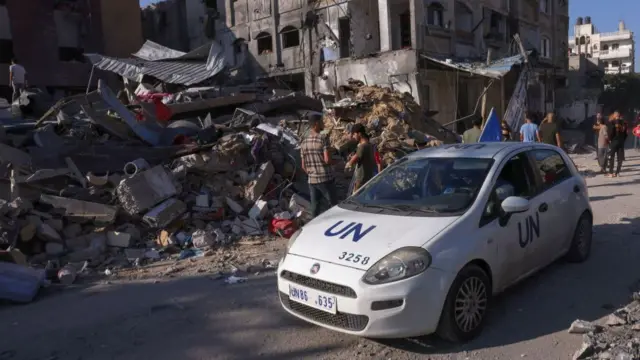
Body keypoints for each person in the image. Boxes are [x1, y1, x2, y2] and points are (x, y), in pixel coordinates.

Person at [300, 114, 336, 216]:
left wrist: (312, 174)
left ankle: (314, 226)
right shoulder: (323, 139)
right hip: (326, 179)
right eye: (321, 122)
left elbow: (303, 166)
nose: (323, 123)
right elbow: (327, 160)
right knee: (334, 206)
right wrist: (338, 163)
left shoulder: (304, 142)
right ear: (316, 124)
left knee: (315, 208)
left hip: (312, 180)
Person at [345, 123, 377, 194]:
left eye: (354, 134)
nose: (353, 136)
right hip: (369, 177)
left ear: (359, 134)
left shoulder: (362, 147)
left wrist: (348, 163)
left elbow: (352, 162)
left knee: (355, 199)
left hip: (361, 180)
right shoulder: (370, 145)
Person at [605, 111, 626, 178]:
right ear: (619, 115)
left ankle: (611, 173)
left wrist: (609, 140)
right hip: (621, 142)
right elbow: (626, 133)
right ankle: (618, 172)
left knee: (611, 157)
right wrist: (622, 140)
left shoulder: (612, 122)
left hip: (614, 142)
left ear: (614, 115)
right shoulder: (624, 123)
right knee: (620, 158)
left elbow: (610, 132)